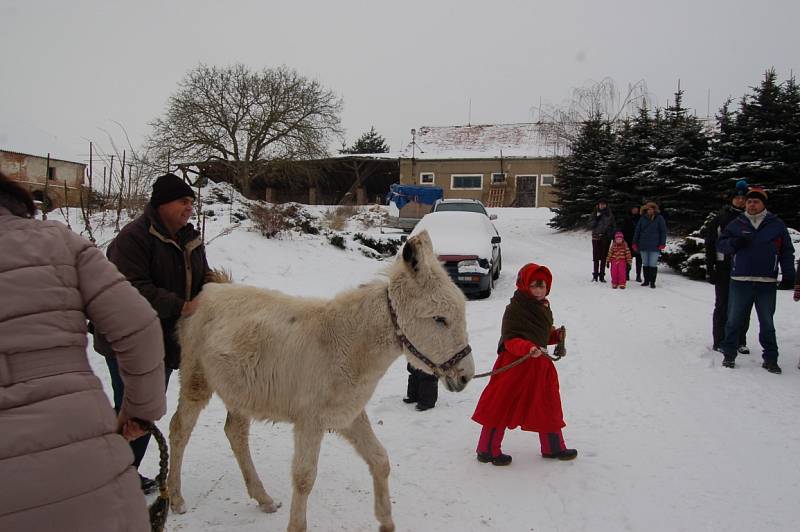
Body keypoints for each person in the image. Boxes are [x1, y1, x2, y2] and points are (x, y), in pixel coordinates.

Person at [0, 173, 166, 531]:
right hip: (82, 450)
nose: (189, 209)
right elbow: (139, 324)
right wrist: (139, 413)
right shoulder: (55, 240)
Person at [93, 172, 210, 492]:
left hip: (165, 341)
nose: (189, 208)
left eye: (191, 202)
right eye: (183, 201)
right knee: (132, 410)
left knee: (147, 407)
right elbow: (129, 287)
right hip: (127, 340)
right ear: (162, 204)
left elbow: (204, 277)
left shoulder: (190, 238)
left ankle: (121, 471)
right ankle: (114, 475)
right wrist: (182, 306)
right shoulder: (134, 238)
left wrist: (220, 296)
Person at [471, 263, 577, 466]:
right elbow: (510, 340)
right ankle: (487, 449)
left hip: (540, 365)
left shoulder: (543, 306)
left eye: (543, 286)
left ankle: (553, 447)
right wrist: (527, 348)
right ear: (524, 284)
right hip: (514, 365)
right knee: (501, 405)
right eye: (534, 285)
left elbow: (541, 335)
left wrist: (555, 336)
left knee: (548, 403)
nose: (539, 290)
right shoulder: (515, 309)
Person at [717, 186, 795, 373]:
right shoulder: (737, 223)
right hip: (740, 279)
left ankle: (770, 358)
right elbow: (721, 244)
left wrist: (789, 275)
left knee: (767, 322)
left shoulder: (776, 224)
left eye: (756, 201)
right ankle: (729, 354)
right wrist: (734, 243)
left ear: (763, 204)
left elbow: (786, 251)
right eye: (749, 201)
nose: (751, 204)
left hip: (766, 281)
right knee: (734, 320)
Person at [704, 179, 751, 353]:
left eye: (744, 198)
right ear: (731, 199)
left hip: (746, 268)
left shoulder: (752, 218)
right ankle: (719, 340)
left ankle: (740, 340)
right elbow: (710, 244)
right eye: (737, 198)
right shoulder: (721, 218)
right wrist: (710, 269)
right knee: (723, 305)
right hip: (724, 267)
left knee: (743, 305)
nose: (740, 201)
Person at [632, 201, 667, 289]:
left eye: (651, 209)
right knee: (645, 263)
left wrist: (662, 243)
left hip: (655, 245)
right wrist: (634, 243)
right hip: (643, 244)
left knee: (653, 264)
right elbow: (637, 231)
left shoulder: (660, 218)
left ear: (655, 210)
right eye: (648, 209)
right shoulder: (642, 218)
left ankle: (652, 282)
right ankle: (646, 280)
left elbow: (663, 232)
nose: (650, 210)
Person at [590, 199, 615, 282]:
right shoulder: (594, 213)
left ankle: (602, 275)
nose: (602, 206)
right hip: (596, 237)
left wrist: (610, 234)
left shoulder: (609, 214)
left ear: (606, 205)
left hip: (606, 238)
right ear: (598, 205)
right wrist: (596, 219)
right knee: (596, 257)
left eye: (604, 204)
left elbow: (613, 226)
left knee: (604, 257)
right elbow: (590, 225)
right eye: (601, 204)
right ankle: (595, 275)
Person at [621, 205, 642, 282]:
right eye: (633, 208)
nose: (635, 210)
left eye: (636, 208)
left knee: (639, 259)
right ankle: (627, 274)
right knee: (628, 258)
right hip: (628, 241)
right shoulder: (626, 218)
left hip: (639, 242)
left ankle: (638, 275)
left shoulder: (641, 218)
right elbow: (623, 229)